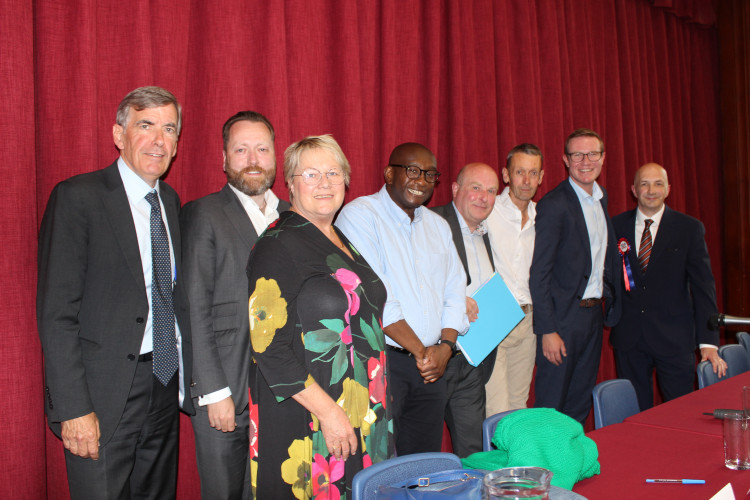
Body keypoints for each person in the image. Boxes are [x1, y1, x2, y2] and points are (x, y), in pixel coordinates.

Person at [37, 86, 193, 499]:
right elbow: (56, 314)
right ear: (118, 134)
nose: (159, 140)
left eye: (169, 129)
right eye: (146, 126)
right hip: (101, 395)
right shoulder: (78, 198)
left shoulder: (172, 202)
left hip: (163, 381)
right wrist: (73, 408)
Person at [246, 135, 393, 499]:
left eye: (333, 172)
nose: (324, 183)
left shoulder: (337, 238)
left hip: (362, 407)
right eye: (310, 174)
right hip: (310, 415)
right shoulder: (277, 245)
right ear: (291, 184)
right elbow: (268, 348)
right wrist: (329, 413)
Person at [181, 111, 289, 499]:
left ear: (276, 156)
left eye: (262, 149)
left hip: (284, 392)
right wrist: (212, 391)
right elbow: (193, 305)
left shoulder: (291, 217)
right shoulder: (204, 213)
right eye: (241, 150)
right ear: (223, 158)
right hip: (227, 388)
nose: (253, 159)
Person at [336, 143, 469, 456]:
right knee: (380, 461)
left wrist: (445, 349)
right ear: (388, 173)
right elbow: (376, 297)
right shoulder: (359, 216)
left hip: (434, 366)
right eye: (411, 170)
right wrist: (425, 353)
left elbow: (455, 291)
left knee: (423, 465)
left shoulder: (438, 226)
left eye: (429, 174)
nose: (420, 180)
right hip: (382, 360)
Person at [611, 162, 726, 410]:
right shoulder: (615, 226)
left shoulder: (689, 228)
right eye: (644, 184)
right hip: (629, 339)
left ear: (668, 189)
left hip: (675, 339)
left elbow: (703, 286)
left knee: (680, 413)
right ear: (633, 189)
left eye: (658, 183)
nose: (651, 190)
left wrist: (708, 342)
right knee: (634, 417)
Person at [529, 128, 620, 424]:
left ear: (603, 158)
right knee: (552, 403)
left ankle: (571, 466)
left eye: (592, 154)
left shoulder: (601, 200)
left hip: (593, 317)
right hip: (562, 322)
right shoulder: (554, 205)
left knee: (580, 401)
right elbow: (539, 273)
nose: (585, 161)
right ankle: (546, 468)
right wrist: (547, 330)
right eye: (577, 154)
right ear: (565, 160)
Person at [432, 162, 499, 457]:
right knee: (424, 450)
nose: (484, 197)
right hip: (434, 356)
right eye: (476, 187)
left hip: (472, 360)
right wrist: (457, 298)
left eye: (491, 190)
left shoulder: (484, 233)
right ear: (455, 189)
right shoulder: (431, 223)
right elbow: (409, 283)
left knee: (473, 450)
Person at [484, 144, 544, 417]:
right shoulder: (488, 209)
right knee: (495, 408)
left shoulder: (543, 216)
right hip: (493, 315)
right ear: (506, 175)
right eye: (520, 172)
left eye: (533, 173)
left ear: (541, 177)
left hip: (529, 318)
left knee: (519, 404)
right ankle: (492, 462)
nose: (527, 180)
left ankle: (515, 461)